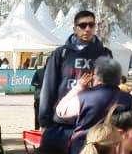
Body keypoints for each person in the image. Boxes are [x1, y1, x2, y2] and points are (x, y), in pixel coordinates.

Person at [36, 9, 114, 139]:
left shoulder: (105, 54)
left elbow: (111, 88)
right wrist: (44, 121)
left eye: (91, 25)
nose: (87, 29)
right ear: (75, 28)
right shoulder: (61, 54)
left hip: (94, 123)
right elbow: (48, 88)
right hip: (63, 122)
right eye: (83, 25)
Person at [72, 59, 132, 154]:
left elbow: (60, 112)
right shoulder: (128, 98)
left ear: (98, 77)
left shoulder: (84, 96)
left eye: (94, 75)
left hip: (84, 148)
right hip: (113, 149)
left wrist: (78, 88)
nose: (92, 77)